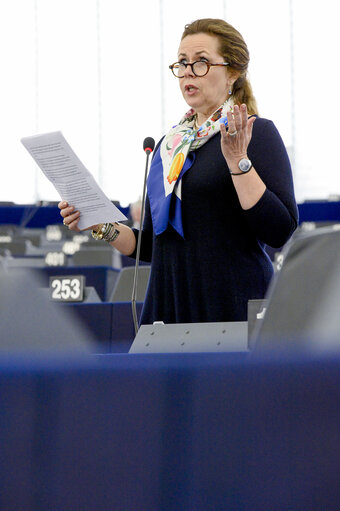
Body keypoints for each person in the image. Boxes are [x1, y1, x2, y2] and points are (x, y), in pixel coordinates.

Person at [59, 18, 298, 324]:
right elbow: (153, 245)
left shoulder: (255, 133)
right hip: (168, 303)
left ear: (233, 73)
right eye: (182, 63)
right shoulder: (169, 146)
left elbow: (280, 230)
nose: (187, 71)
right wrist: (100, 223)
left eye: (201, 62)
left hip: (232, 301)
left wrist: (238, 160)